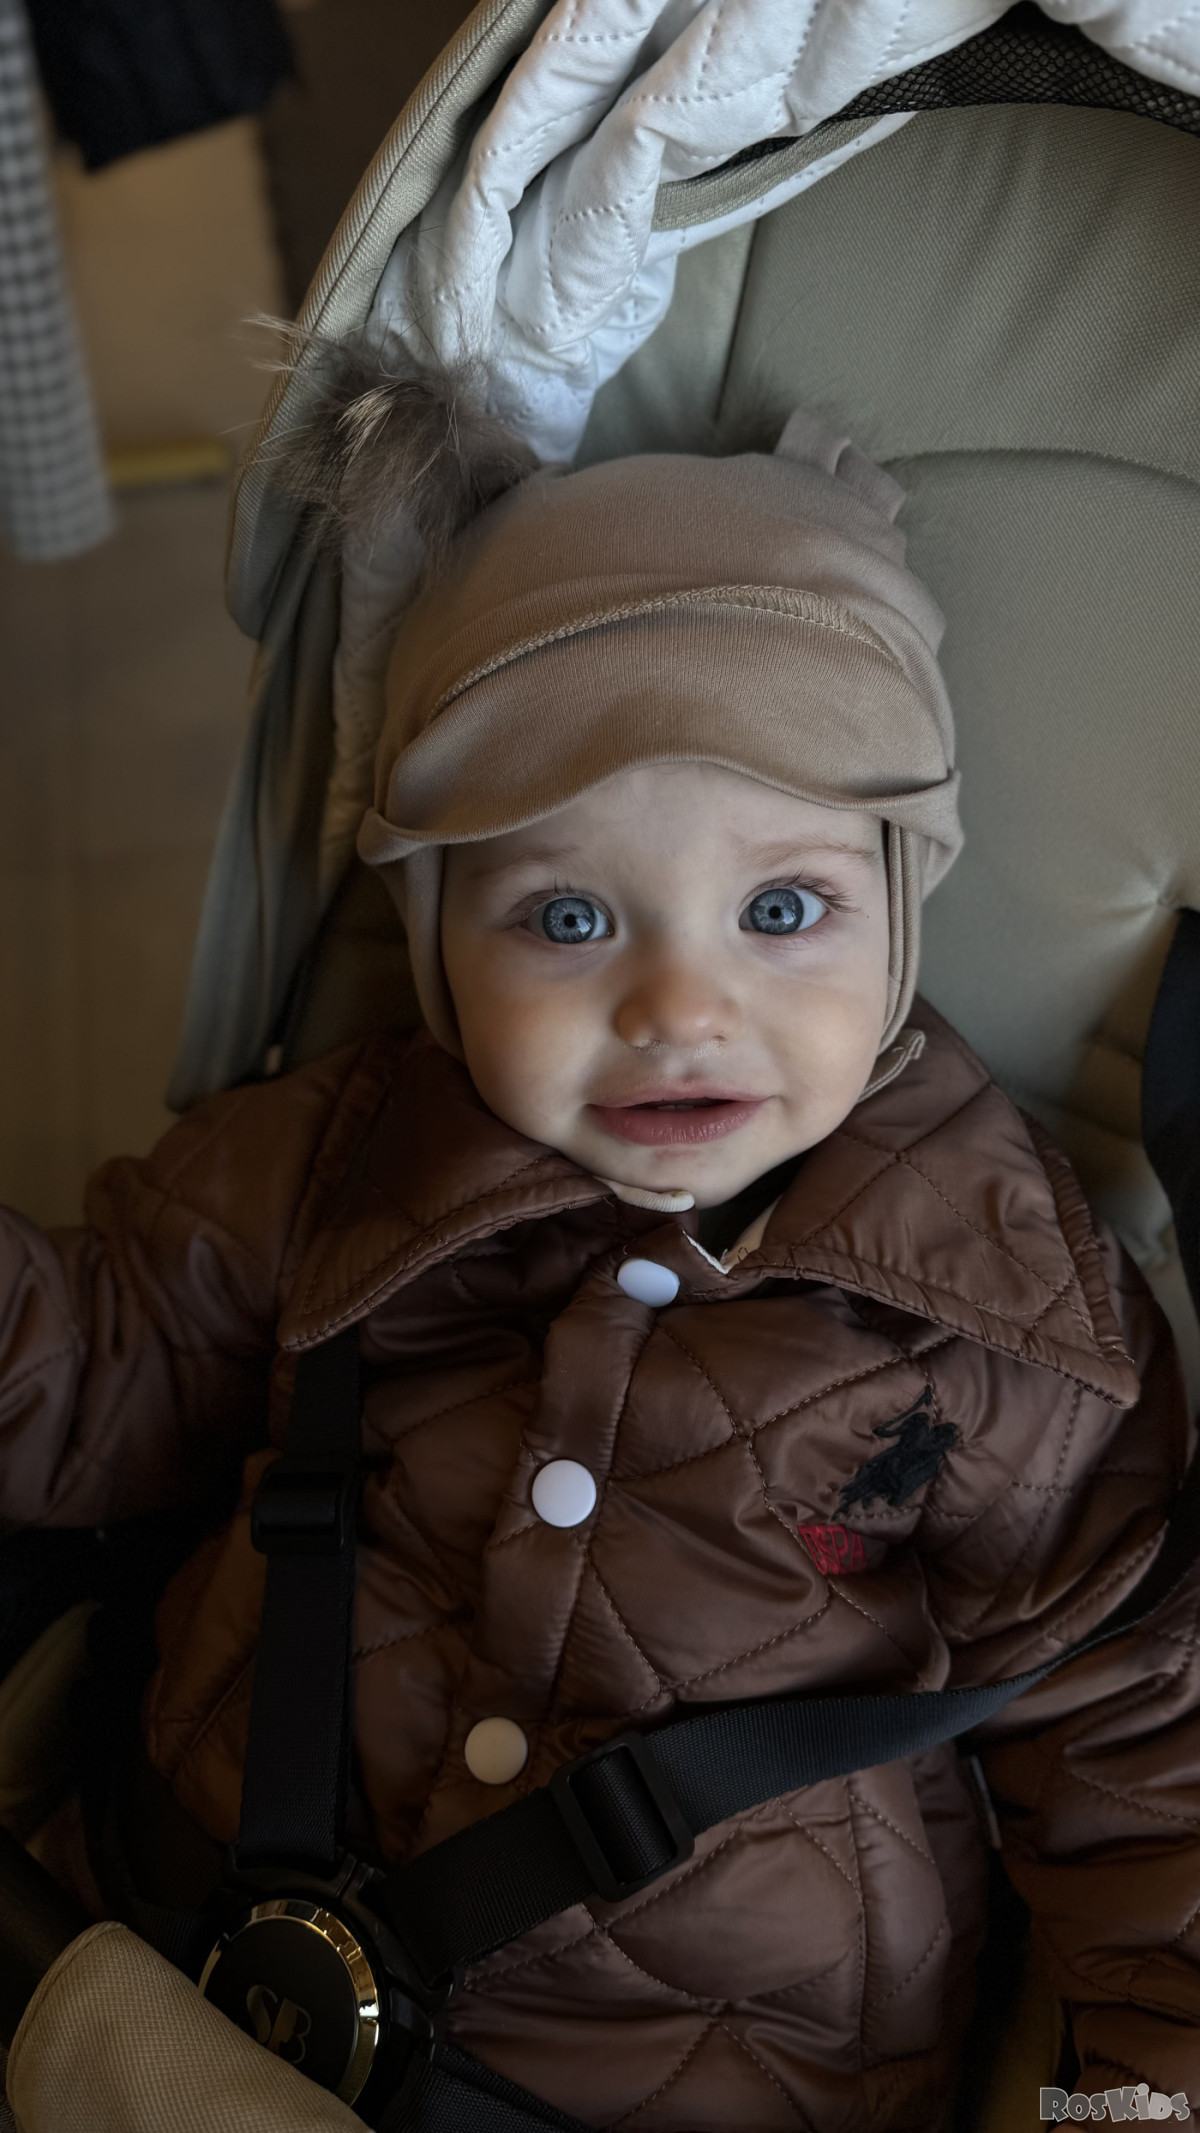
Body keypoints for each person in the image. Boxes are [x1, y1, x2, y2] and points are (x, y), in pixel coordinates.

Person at [2, 404, 1199, 2130]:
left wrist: (1149, 2084)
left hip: (708, 2076)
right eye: (568, 918)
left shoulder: (1014, 1322)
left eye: (780, 909)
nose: (679, 1005)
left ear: (900, 906)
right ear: (435, 940)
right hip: (188, 1969)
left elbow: (1139, 1748)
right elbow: (88, 1360)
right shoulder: (335, 1164)